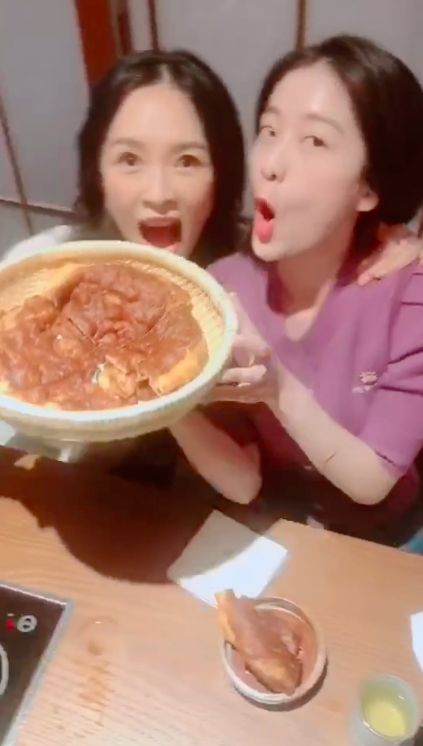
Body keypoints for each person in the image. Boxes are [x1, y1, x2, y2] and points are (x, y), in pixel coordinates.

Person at [1, 45, 418, 497]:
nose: (158, 193)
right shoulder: (44, 275)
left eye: (187, 161)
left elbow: (251, 479)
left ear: (221, 174)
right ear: (96, 169)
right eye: (129, 159)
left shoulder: (220, 294)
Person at [174, 35, 423, 544]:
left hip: (390, 542)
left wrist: (278, 389)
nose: (271, 162)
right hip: (278, 531)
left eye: (314, 141)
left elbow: (373, 481)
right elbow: (242, 482)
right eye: (269, 130)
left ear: (369, 187)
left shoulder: (408, 291)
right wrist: (162, 396)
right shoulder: (224, 287)